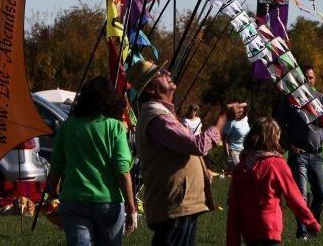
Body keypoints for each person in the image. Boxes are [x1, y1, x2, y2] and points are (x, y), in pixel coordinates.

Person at [128, 59, 233, 245]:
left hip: (179, 204)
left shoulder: (162, 114)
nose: (168, 74)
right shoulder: (158, 119)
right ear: (151, 89)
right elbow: (197, 146)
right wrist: (223, 119)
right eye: (160, 74)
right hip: (175, 205)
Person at [46, 76, 136, 246]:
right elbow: (122, 170)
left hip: (73, 200)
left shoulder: (68, 126)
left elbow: (56, 164)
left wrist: (53, 194)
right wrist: (131, 206)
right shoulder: (115, 127)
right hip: (108, 201)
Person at [226, 117, 320, 245]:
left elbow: (234, 206)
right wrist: (312, 223)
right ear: (273, 138)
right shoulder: (277, 164)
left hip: (248, 230)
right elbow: (295, 198)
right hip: (270, 228)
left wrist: (232, 241)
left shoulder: (241, 167)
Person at [273, 65, 323, 240]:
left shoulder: (320, 98)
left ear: (315, 79)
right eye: (305, 77)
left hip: (316, 154)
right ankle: (302, 232)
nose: (308, 80)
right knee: (301, 194)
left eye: (311, 77)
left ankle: (313, 223)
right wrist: (290, 146)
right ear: (299, 79)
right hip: (298, 155)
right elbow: (278, 126)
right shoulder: (290, 100)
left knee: (321, 193)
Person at [223, 103, 251, 173]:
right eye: (241, 110)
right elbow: (224, 138)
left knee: (245, 174)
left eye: (245, 110)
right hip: (233, 151)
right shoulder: (231, 122)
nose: (244, 112)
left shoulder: (245, 119)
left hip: (243, 151)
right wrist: (227, 153)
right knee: (239, 172)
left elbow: (246, 104)